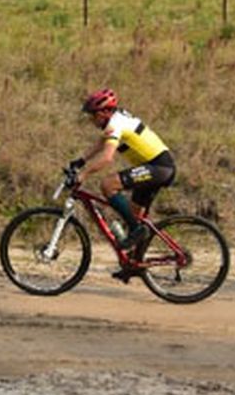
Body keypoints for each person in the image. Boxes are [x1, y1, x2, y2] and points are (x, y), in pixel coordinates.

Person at [73, 88, 176, 270]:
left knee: (108, 184)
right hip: (155, 167)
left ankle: (136, 231)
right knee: (135, 216)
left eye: (93, 115)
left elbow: (106, 157)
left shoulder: (115, 124)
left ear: (105, 112)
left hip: (159, 167)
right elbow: (102, 142)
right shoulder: (115, 119)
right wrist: (81, 161)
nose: (91, 120)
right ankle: (133, 264)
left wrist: (83, 174)